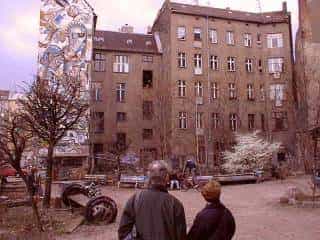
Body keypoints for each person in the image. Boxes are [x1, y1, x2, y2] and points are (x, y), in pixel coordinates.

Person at [118, 160, 187, 240]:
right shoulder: (176, 204)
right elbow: (181, 236)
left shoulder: (135, 199)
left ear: (148, 177)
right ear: (167, 177)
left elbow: (123, 233)